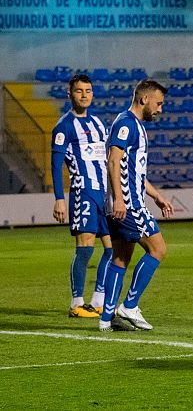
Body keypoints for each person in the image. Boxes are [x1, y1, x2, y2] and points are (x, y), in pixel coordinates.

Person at [99, 79, 174, 332]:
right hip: (129, 204)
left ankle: (106, 319)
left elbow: (135, 172)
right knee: (158, 249)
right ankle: (130, 306)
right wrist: (120, 198)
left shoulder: (135, 126)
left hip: (126, 200)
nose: (160, 109)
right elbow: (113, 161)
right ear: (144, 99)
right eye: (159, 103)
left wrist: (156, 195)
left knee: (120, 257)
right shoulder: (126, 123)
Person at [50, 74, 113, 318]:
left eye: (88, 90)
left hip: (104, 193)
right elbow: (56, 165)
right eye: (79, 91)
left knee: (112, 248)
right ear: (70, 94)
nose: (84, 94)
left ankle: (97, 301)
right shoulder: (64, 126)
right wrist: (59, 198)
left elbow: (107, 159)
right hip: (83, 191)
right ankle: (76, 303)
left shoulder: (98, 124)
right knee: (85, 246)